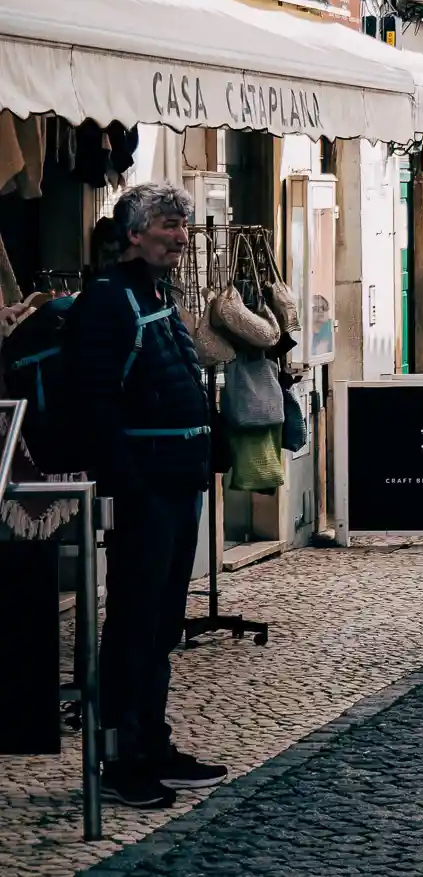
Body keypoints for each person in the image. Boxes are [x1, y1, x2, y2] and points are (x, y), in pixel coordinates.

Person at [63, 183, 226, 807]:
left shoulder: (156, 293)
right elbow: (93, 404)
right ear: (133, 232)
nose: (181, 236)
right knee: (132, 622)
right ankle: (119, 757)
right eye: (168, 225)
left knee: (161, 625)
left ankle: (151, 741)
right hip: (145, 488)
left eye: (184, 226)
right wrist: (126, 483)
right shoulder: (106, 301)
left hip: (176, 482)